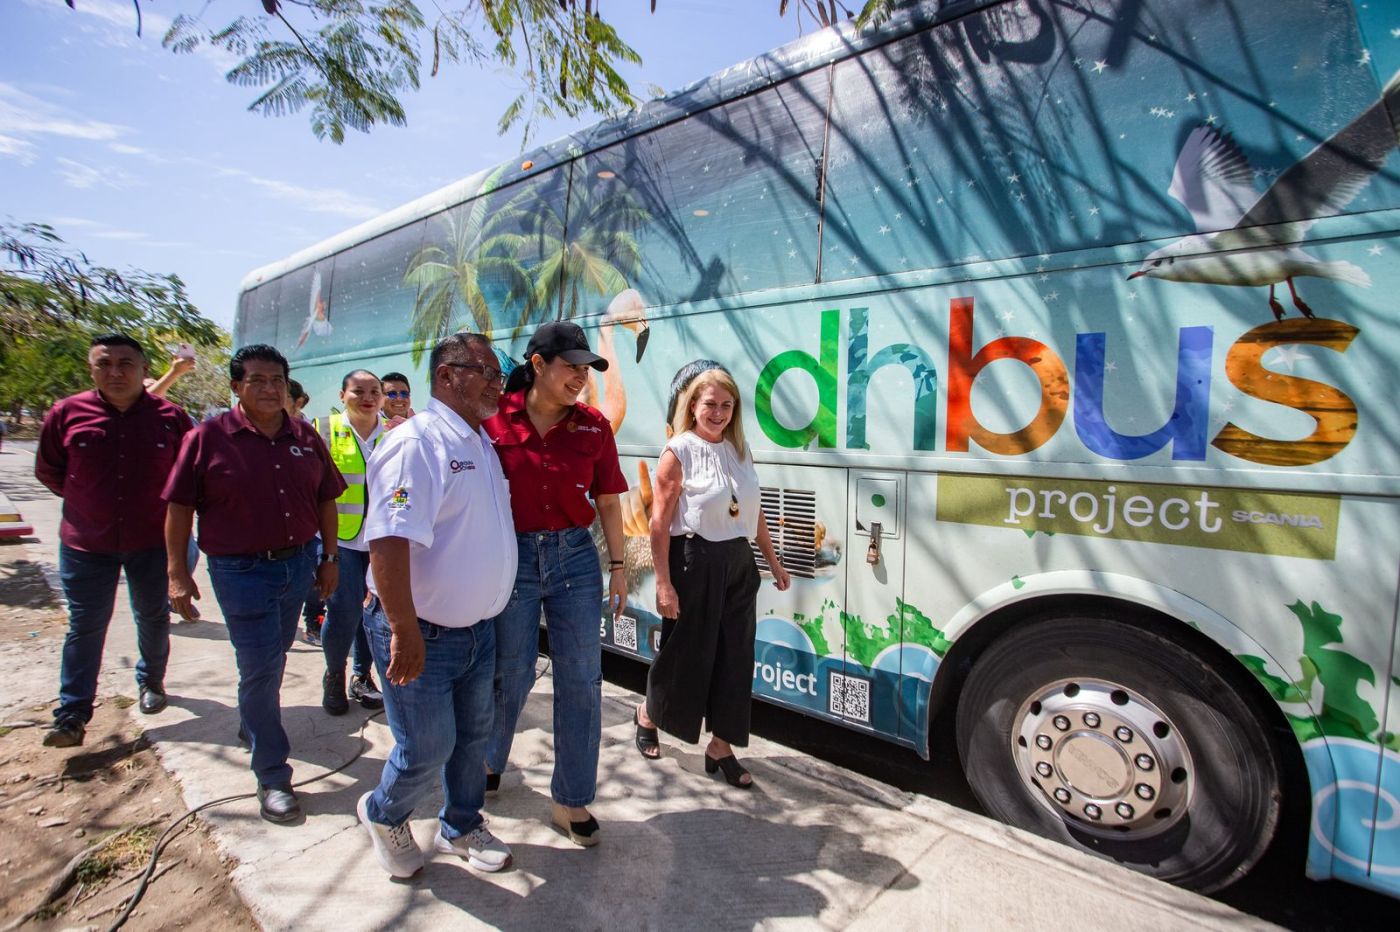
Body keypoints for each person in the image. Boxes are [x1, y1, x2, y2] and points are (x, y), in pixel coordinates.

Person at [163, 344, 346, 824]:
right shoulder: (206, 438)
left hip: (298, 565)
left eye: (277, 381)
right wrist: (177, 573)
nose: (268, 389)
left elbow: (326, 499)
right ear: (236, 387)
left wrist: (329, 558)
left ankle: (253, 720)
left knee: (275, 655)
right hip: (239, 571)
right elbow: (179, 507)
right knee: (261, 667)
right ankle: (272, 773)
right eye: (257, 380)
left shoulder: (305, 436)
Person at [356, 332, 516, 879]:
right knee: (427, 747)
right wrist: (403, 630)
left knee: (472, 739)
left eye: (498, 374)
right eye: (487, 372)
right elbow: (388, 541)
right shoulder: (417, 443)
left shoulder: (479, 441)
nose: (498, 384)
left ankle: (461, 824)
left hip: (477, 631)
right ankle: (384, 812)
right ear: (447, 375)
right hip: (421, 631)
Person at [481, 320, 627, 847]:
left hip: (574, 560)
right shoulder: (491, 418)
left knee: (582, 680)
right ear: (539, 364)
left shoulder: (594, 426)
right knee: (511, 671)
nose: (581, 378)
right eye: (572, 367)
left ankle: (571, 799)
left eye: (587, 369)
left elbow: (607, 499)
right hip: (511, 556)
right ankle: (488, 759)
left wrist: (618, 566)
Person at [634, 365, 791, 788]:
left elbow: (753, 511)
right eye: (710, 404)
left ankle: (721, 746)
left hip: (739, 562)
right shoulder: (678, 451)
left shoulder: (740, 450)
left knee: (736, 657)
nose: (718, 412)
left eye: (726, 405)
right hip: (695, 560)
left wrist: (773, 562)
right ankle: (648, 714)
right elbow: (658, 524)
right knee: (687, 653)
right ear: (693, 406)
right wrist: (664, 583)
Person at [36, 334, 193, 748]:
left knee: (153, 615)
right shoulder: (67, 413)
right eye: (104, 364)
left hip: (152, 540)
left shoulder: (170, 418)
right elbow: (50, 470)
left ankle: (152, 681)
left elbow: (189, 476)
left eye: (125, 364)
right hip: (86, 543)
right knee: (85, 625)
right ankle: (72, 713)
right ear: (92, 370)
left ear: (144, 370)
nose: (115, 372)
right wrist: (88, 501)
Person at [314, 370, 387, 714]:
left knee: (374, 614)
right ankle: (334, 674)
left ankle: (361, 675)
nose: (368, 398)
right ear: (343, 395)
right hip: (340, 539)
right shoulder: (323, 429)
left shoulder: (395, 432)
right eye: (359, 391)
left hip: (382, 541)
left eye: (375, 391)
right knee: (344, 613)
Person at [285, 381, 326, 646]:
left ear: (298, 402)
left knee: (315, 578)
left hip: (312, 524)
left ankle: (313, 623)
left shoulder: (311, 432)